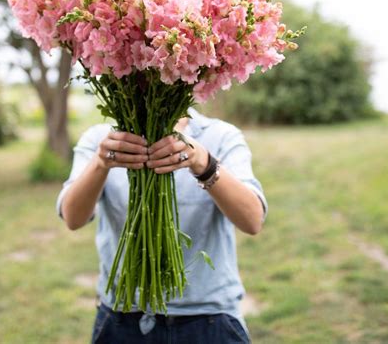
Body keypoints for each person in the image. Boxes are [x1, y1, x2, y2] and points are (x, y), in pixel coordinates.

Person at [56, 107, 267, 344]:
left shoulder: (220, 135)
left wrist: (203, 162)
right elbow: (73, 218)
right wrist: (100, 163)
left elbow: (252, 220)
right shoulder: (102, 139)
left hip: (209, 319)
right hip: (122, 318)